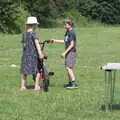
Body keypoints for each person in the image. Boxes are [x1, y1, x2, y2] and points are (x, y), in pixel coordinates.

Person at [50, 19, 78, 89]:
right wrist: (54, 41)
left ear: (69, 24)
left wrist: (64, 53)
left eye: (65, 24)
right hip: (68, 52)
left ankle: (74, 83)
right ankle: (70, 83)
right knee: (67, 67)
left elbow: (72, 44)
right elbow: (65, 41)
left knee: (69, 67)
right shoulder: (67, 32)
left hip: (71, 52)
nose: (64, 26)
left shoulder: (71, 32)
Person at [20, 16, 44, 91]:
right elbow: (37, 44)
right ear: (33, 25)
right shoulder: (33, 33)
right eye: (36, 25)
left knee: (24, 71)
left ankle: (23, 86)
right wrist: (40, 54)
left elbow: (23, 44)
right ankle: (36, 86)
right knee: (38, 70)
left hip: (25, 55)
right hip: (33, 55)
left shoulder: (24, 34)